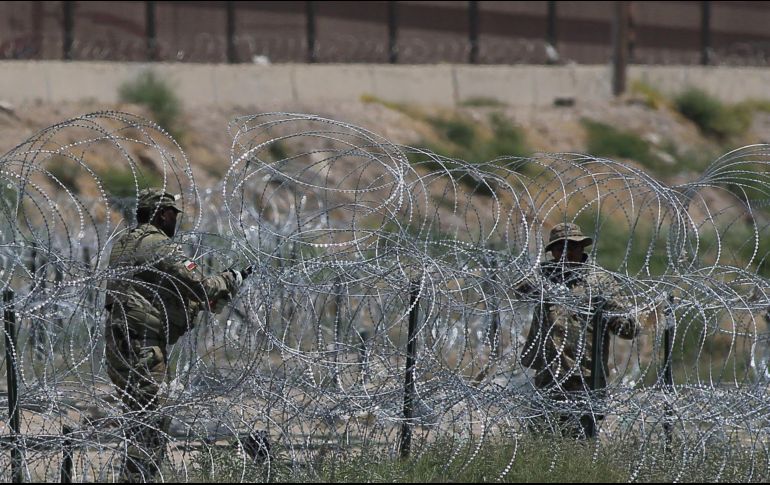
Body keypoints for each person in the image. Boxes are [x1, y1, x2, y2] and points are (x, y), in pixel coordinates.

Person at [104, 188, 251, 482]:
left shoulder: (124, 242)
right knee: (150, 426)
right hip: (143, 346)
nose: (176, 221)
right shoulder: (158, 244)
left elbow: (155, 290)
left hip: (119, 344)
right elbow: (200, 284)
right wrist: (231, 278)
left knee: (139, 421)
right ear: (162, 213)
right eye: (173, 214)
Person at [517, 222, 639, 439]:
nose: (565, 253)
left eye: (571, 247)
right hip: (549, 375)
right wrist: (536, 287)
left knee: (580, 440)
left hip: (585, 378)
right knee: (542, 440)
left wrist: (607, 308)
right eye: (559, 248)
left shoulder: (600, 281)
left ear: (582, 248)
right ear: (552, 252)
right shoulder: (545, 276)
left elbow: (630, 329)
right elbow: (520, 290)